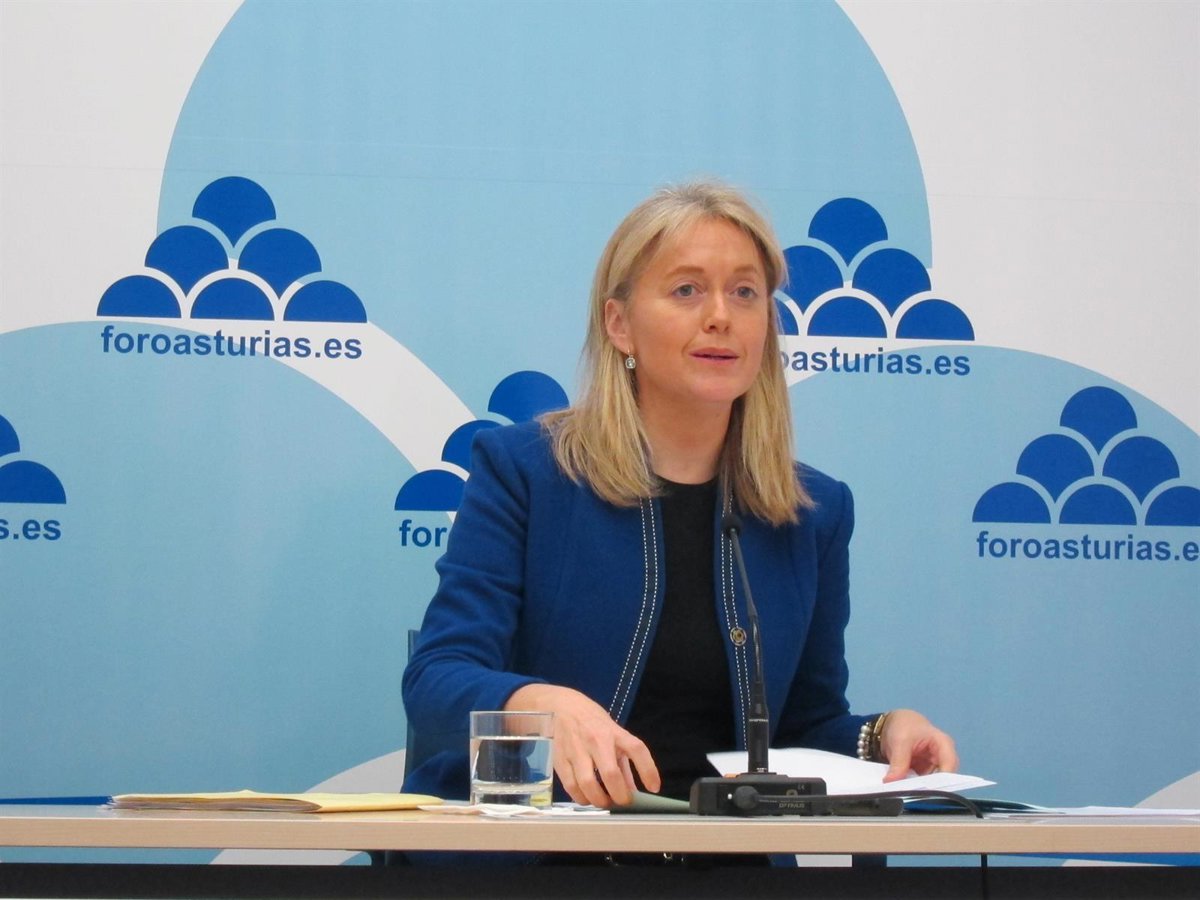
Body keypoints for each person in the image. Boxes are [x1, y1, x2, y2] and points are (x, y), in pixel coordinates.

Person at [401, 180, 957, 835]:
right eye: (687, 290)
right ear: (619, 324)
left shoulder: (812, 513)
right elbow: (436, 679)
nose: (720, 316)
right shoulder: (525, 472)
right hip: (546, 854)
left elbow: (801, 728)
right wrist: (536, 704)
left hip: (725, 862)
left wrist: (881, 736)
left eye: (745, 292)